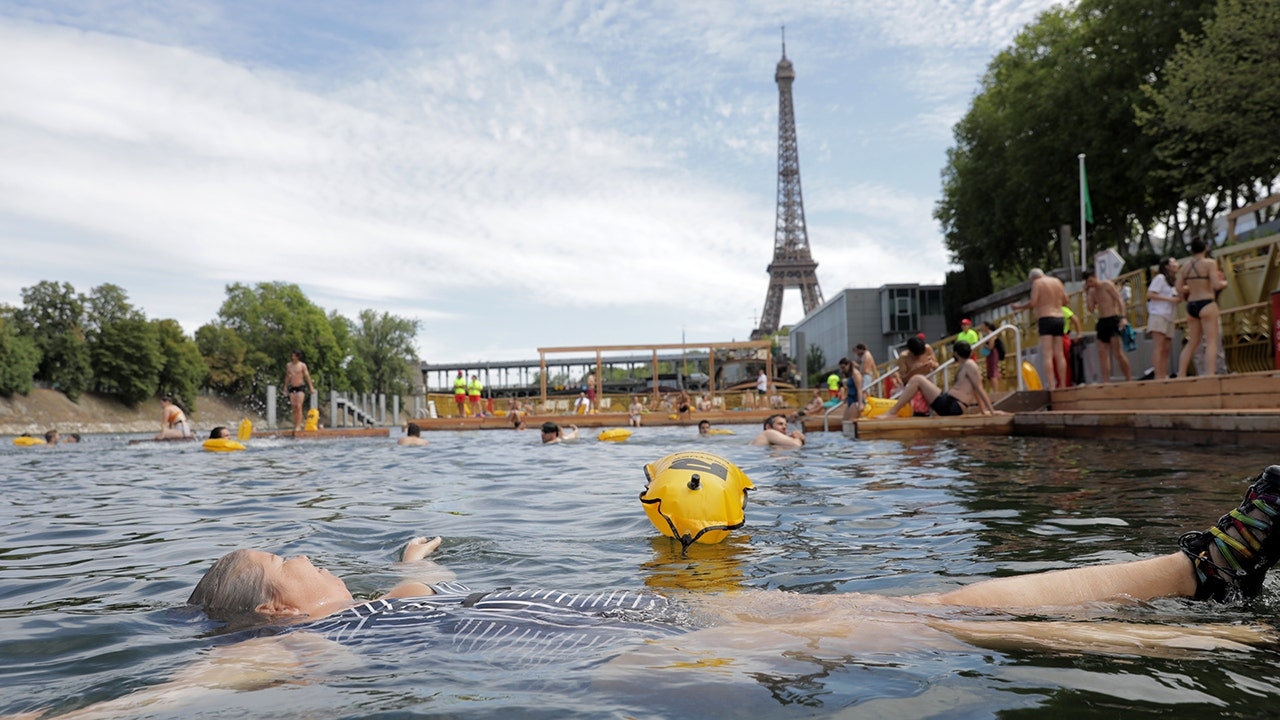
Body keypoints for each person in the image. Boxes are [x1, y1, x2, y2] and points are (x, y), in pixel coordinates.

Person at [42, 462, 1280, 719]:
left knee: (943, 603)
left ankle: (1217, 599)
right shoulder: (297, 654)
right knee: (936, 616)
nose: (319, 560)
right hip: (624, 656)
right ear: (272, 605)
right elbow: (167, 700)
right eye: (295, 561)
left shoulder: (383, 611)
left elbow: (443, 583)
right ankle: (1203, 587)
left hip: (649, 618)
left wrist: (417, 562)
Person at [874, 341, 997, 419]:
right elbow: (975, 389)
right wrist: (983, 411)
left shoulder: (970, 365)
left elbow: (979, 388)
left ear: (955, 353)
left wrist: (990, 411)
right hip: (950, 403)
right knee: (918, 379)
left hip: (953, 406)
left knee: (917, 379)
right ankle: (894, 411)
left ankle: (892, 412)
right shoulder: (966, 365)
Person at [1177, 239, 1230, 378]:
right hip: (1206, 303)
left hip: (1191, 305)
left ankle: (1181, 373)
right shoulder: (1210, 263)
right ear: (1206, 248)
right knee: (1211, 341)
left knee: (1192, 342)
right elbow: (1216, 285)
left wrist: (1191, 286)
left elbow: (1178, 288)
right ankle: (1210, 374)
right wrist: (1225, 283)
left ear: (1191, 250)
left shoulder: (1184, 267)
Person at [1011, 269, 1070, 390]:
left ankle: (1052, 385)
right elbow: (1066, 300)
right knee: (1059, 353)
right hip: (1059, 317)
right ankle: (1063, 384)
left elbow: (1033, 302)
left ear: (1033, 278)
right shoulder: (1057, 281)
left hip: (1046, 317)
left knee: (1047, 354)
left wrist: (1019, 307)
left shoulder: (1037, 283)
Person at [1083, 270, 1132, 383]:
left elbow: (1119, 299)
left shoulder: (1107, 285)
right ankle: (1106, 381)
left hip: (1113, 318)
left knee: (1117, 352)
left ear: (1095, 277)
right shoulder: (1092, 291)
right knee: (1102, 353)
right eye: (1088, 282)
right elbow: (1091, 309)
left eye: (1091, 281)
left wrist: (1123, 317)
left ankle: (1128, 378)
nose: (1091, 284)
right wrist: (1087, 294)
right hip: (1102, 321)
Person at [1146, 257, 1180, 379]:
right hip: (1159, 314)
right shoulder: (1160, 278)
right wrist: (1170, 299)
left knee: (1166, 348)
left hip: (1169, 316)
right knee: (1159, 346)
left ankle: (1164, 373)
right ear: (1166, 266)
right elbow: (1150, 294)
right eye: (1173, 262)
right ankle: (1158, 375)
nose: (1177, 264)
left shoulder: (1173, 282)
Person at [896, 336, 939, 416]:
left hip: (927, 381)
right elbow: (903, 379)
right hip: (912, 384)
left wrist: (931, 364)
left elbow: (937, 365)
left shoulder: (927, 348)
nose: (919, 357)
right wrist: (913, 371)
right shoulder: (904, 357)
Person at [284, 351, 315, 432]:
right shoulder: (289, 365)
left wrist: (311, 387)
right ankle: (295, 424)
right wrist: (285, 387)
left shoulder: (302, 365)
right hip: (292, 387)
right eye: (292, 355)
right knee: (294, 407)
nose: (292, 357)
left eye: (294, 356)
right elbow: (287, 376)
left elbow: (307, 376)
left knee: (298, 406)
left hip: (300, 386)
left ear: (298, 357)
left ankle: (298, 426)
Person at [980, 321, 1005, 393]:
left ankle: (996, 390)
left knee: (993, 371)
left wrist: (984, 344)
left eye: (983, 326)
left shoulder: (991, 334)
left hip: (993, 354)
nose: (982, 328)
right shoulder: (988, 334)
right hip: (990, 354)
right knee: (992, 370)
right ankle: (997, 389)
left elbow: (991, 346)